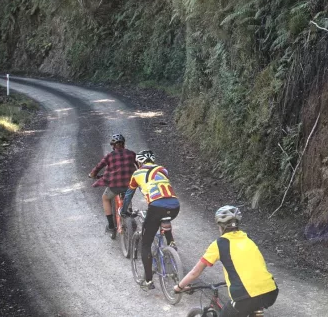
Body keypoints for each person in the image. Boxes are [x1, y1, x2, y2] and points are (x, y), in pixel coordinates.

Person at [173, 206, 278, 316]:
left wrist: (179, 287)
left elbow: (195, 272)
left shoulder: (219, 244)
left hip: (245, 296)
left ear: (220, 226)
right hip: (270, 292)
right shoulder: (247, 238)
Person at [121, 150, 180, 290]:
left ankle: (148, 281)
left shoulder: (136, 174)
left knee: (146, 244)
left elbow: (128, 195)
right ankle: (172, 245)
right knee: (164, 218)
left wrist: (124, 211)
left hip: (156, 206)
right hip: (175, 205)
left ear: (139, 162)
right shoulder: (163, 170)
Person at [88, 134, 138, 233]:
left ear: (113, 145)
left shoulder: (110, 156)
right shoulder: (132, 154)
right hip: (130, 185)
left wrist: (92, 175)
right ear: (124, 144)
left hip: (115, 185)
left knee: (105, 198)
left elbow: (98, 167)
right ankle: (129, 215)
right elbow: (140, 166)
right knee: (128, 194)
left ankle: (111, 226)